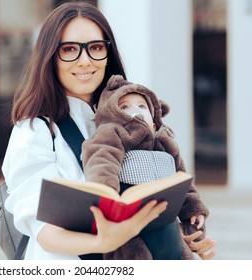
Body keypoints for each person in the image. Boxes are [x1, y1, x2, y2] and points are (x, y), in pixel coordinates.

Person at [2, 1, 216, 260]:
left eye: (95, 48)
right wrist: (104, 240)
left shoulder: (129, 120)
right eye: (69, 49)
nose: (85, 61)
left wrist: (175, 239)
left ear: (108, 54)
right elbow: (44, 232)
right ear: (50, 57)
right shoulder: (35, 131)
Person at [82, 75, 210, 259]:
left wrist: (194, 210)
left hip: (167, 225)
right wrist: (106, 193)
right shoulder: (113, 133)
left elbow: (183, 181)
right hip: (129, 227)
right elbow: (102, 160)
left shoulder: (166, 143)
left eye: (142, 106)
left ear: (155, 120)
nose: (136, 111)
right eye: (124, 107)